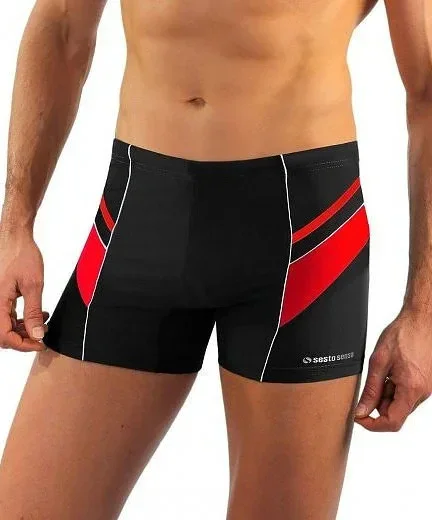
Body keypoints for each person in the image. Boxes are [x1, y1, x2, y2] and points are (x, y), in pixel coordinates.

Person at [0, 0, 431, 518]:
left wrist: (423, 312)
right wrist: (15, 225)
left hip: (304, 241)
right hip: (139, 218)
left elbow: (428, 86)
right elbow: (62, 26)